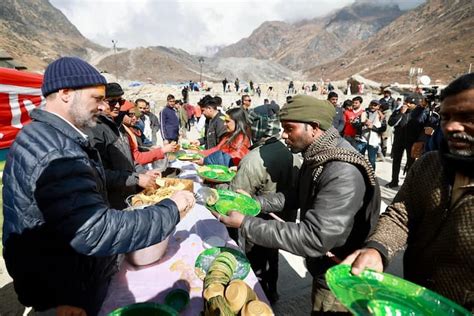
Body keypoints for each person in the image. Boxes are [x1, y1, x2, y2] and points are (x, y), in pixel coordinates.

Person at [1, 57, 195, 314]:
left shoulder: (42, 136)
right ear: (66, 93)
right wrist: (171, 209)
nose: (103, 106)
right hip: (66, 292)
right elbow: (94, 229)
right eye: (97, 98)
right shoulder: (56, 152)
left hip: (62, 285)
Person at [217, 95, 381, 314]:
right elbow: (297, 195)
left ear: (313, 127)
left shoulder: (342, 171)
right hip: (323, 267)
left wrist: (246, 223)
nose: (283, 136)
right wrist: (255, 203)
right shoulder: (317, 155)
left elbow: (314, 237)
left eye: (289, 129)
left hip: (341, 277)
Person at [342, 73, 474, 311]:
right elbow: (400, 216)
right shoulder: (429, 165)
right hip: (413, 297)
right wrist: (377, 249)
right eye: (446, 117)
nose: (452, 126)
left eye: (467, 117)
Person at [224, 119, 301, 304]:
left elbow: (236, 200)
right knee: (272, 255)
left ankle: (255, 301)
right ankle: (272, 292)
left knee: (255, 262)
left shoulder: (253, 160)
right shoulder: (293, 155)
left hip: (257, 224)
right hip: (284, 222)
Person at [85, 83, 158, 209]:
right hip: (114, 203)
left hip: (130, 196)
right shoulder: (95, 129)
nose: (117, 106)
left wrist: (145, 173)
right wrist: (137, 179)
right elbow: (100, 173)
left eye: (120, 101)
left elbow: (128, 160)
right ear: (99, 102)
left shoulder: (118, 125)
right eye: (112, 102)